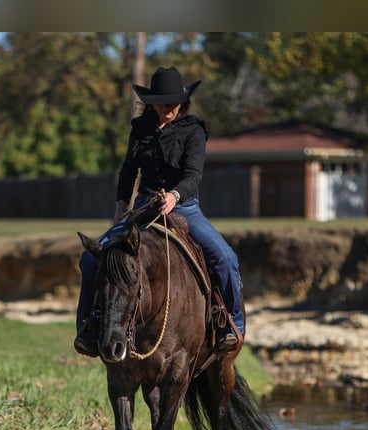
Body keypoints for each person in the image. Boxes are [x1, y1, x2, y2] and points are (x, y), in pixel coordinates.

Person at [74, 65, 244, 358]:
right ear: (152, 103)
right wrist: (120, 206)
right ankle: (89, 328)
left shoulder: (194, 130)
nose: (168, 108)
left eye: (173, 103)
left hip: (185, 207)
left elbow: (193, 175)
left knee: (226, 258)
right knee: (91, 259)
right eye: (163, 103)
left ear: (183, 101)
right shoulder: (140, 129)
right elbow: (128, 170)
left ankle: (230, 325)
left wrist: (175, 196)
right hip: (143, 206)